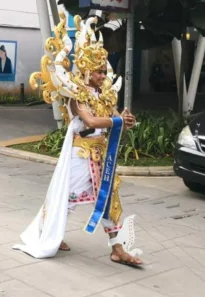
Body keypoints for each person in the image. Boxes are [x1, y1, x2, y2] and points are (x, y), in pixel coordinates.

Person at [14, 14, 143, 267]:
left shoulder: (105, 94)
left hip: (101, 155)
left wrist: (126, 121)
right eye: (97, 70)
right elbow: (92, 122)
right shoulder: (76, 96)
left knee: (110, 199)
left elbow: (114, 118)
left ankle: (117, 248)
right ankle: (45, 233)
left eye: (103, 69)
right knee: (65, 198)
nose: (102, 73)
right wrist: (116, 121)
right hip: (80, 154)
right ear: (86, 70)